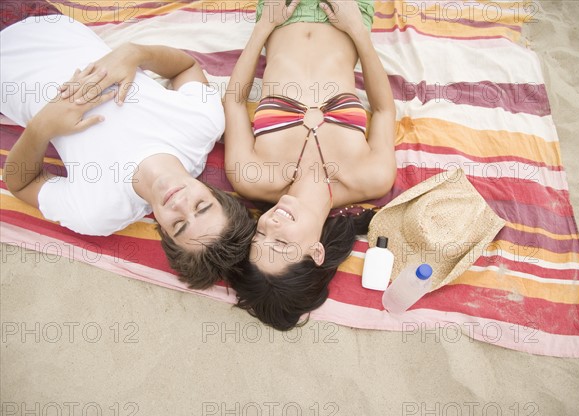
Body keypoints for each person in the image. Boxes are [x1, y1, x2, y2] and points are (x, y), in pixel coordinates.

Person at [0, 10, 255, 288]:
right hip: (40, 18)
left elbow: (22, 183)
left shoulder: (98, 212)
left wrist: (42, 126)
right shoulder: (203, 124)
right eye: (202, 206)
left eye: (180, 225)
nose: (180, 203)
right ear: (215, 194)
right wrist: (135, 54)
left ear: (165, 234)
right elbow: (186, 67)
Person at [224, 0, 397, 329]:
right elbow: (385, 111)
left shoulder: (250, 177)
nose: (271, 226)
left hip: (281, 14)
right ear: (317, 253)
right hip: (344, 14)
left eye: (260, 237)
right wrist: (358, 30)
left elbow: (234, 101)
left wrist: (264, 27)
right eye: (283, 242)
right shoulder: (372, 178)